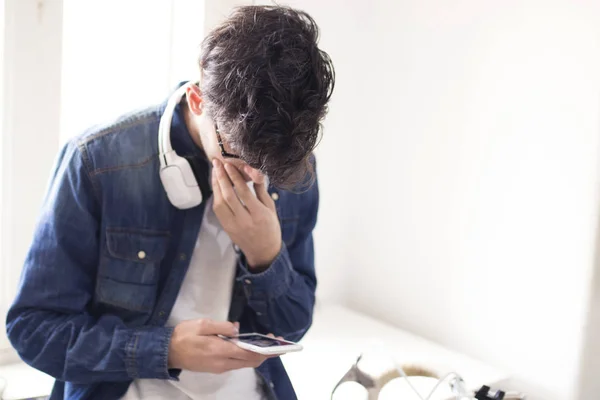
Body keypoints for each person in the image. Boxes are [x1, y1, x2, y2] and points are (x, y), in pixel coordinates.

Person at [6, 5, 334, 400]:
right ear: (198, 100)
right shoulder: (98, 162)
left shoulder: (288, 162)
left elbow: (293, 326)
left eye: (273, 167)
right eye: (239, 156)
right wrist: (166, 349)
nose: (258, 177)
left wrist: (266, 256)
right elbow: (34, 330)